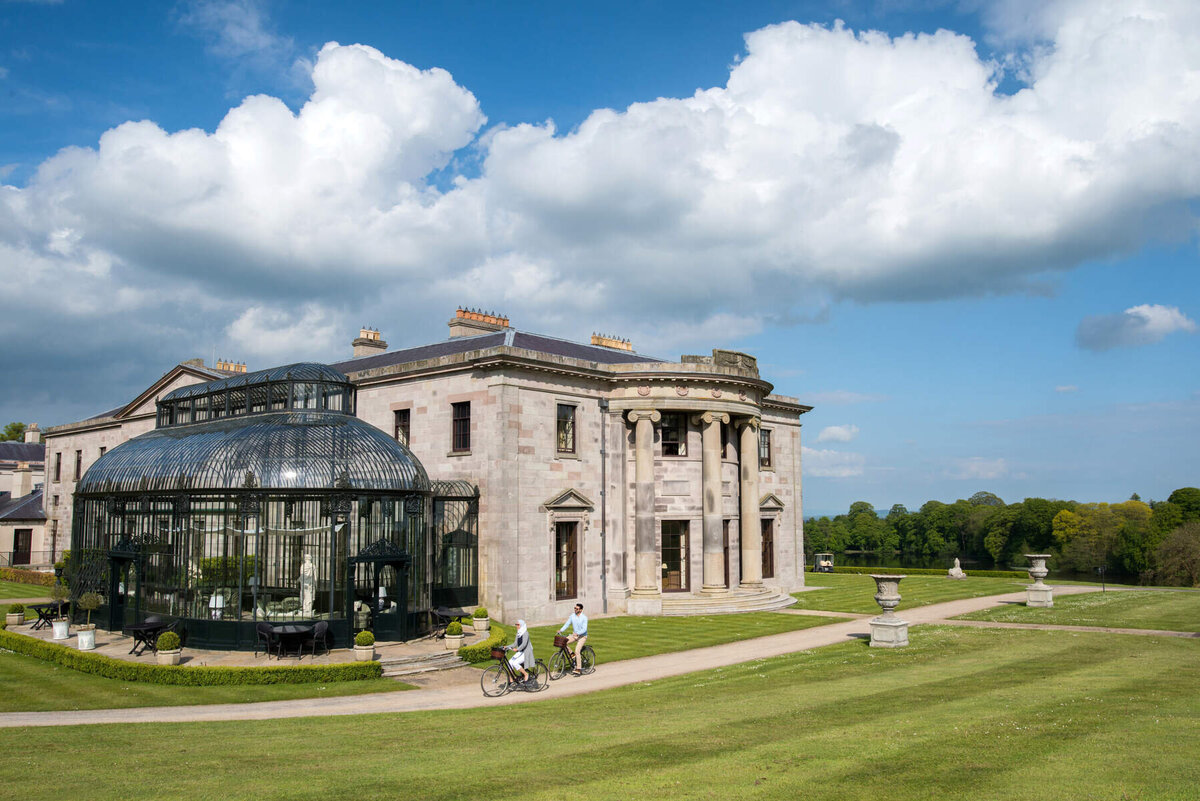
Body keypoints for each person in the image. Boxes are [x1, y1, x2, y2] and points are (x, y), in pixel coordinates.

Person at [558, 603, 588, 676]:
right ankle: (572, 654)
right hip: (574, 635)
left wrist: (578, 633)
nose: (575, 610)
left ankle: (578, 668)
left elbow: (584, 629)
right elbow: (567, 624)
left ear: (581, 610)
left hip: (582, 637)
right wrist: (561, 630)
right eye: (575, 608)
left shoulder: (584, 618)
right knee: (563, 642)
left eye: (577, 609)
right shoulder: (572, 616)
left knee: (577, 651)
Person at [506, 619, 534, 685]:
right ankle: (512, 679)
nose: (516, 626)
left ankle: (526, 674)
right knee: (509, 662)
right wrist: (506, 646)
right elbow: (514, 643)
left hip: (526, 652)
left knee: (515, 663)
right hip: (521, 652)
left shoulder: (525, 633)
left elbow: (524, 644)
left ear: (521, 625)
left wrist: (517, 649)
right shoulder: (518, 633)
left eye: (518, 625)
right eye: (516, 625)